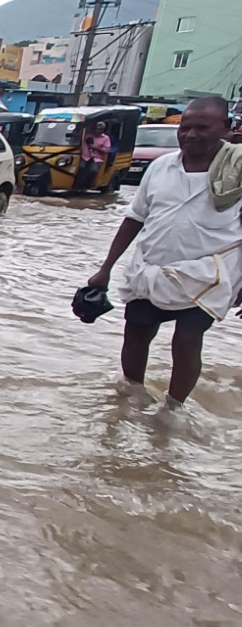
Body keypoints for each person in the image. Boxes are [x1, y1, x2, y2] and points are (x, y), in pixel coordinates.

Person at [87, 96, 242, 409]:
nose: (190, 134)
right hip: (153, 268)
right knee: (136, 332)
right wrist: (105, 268)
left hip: (208, 274)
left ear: (226, 129)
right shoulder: (160, 167)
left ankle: (173, 408)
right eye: (185, 127)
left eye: (202, 127)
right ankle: (131, 396)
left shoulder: (236, 174)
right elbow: (135, 217)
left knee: (186, 340)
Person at [77, 121, 111, 190]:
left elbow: (106, 150)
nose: (98, 130)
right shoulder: (88, 136)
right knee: (81, 169)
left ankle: (88, 186)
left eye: (101, 129)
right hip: (85, 157)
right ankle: (78, 186)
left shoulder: (106, 138)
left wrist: (95, 147)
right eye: (97, 128)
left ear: (103, 130)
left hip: (97, 158)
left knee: (93, 170)